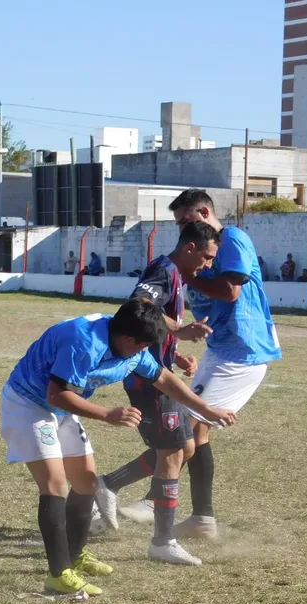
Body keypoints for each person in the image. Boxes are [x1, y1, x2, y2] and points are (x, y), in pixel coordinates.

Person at [0, 298, 236, 597]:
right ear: (127, 339)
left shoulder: (130, 343)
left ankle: (74, 555)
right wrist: (107, 414)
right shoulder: (83, 341)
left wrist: (206, 409)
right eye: (142, 346)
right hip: (29, 404)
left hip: (60, 409)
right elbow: (56, 394)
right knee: (55, 485)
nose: (143, 352)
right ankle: (58, 576)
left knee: (86, 483)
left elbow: (163, 378)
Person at [92, 222, 221, 567]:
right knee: (174, 453)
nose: (208, 265)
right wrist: (181, 328)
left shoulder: (175, 276)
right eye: (207, 257)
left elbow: (152, 326)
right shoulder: (163, 270)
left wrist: (175, 354)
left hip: (159, 372)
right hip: (147, 381)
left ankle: (108, 484)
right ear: (190, 248)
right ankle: (163, 542)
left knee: (186, 447)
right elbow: (140, 305)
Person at [165, 190, 281, 539]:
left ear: (203, 212)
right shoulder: (200, 249)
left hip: (242, 349)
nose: (182, 229)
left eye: (185, 220)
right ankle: (202, 520)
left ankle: (124, 490)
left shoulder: (232, 238)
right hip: (221, 346)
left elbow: (231, 291)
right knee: (196, 431)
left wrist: (186, 273)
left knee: (181, 428)